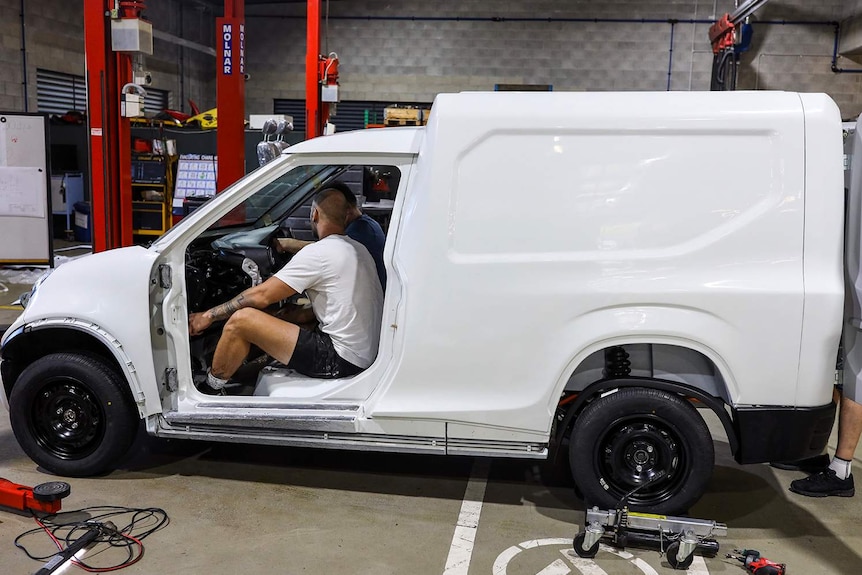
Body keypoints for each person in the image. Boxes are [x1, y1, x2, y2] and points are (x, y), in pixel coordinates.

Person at [189, 188, 384, 389]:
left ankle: (209, 388)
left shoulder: (319, 253)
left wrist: (208, 316)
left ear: (314, 214)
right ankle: (237, 373)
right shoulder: (358, 249)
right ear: (346, 216)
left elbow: (261, 296)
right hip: (364, 355)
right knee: (286, 316)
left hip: (341, 360)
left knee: (241, 321)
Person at [277, 181, 387, 289]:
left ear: (345, 210)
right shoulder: (365, 225)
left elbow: (326, 253)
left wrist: (289, 244)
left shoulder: (360, 231)